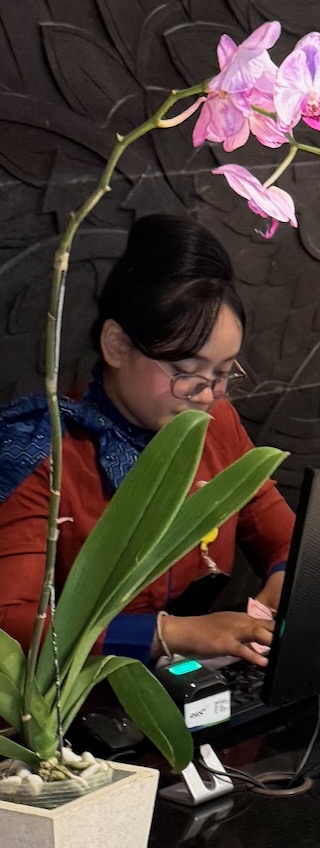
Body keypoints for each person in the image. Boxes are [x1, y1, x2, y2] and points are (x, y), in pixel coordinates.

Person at [0, 214, 294, 668]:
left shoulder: (215, 423)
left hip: (193, 682)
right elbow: (12, 620)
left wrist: (285, 578)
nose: (207, 395)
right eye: (185, 371)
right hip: (74, 699)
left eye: (222, 373)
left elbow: (283, 536)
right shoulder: (42, 450)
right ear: (117, 345)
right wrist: (171, 633)